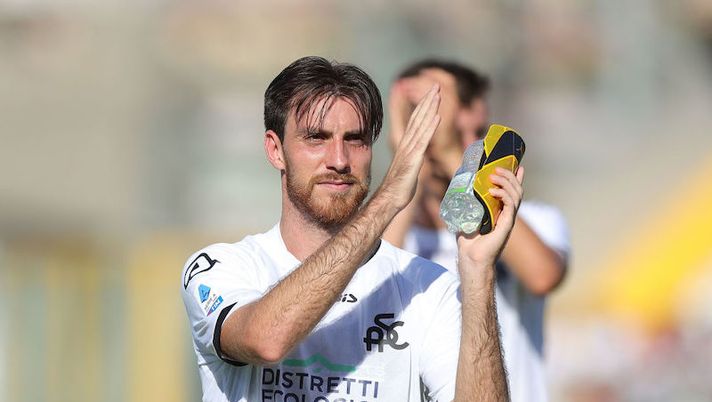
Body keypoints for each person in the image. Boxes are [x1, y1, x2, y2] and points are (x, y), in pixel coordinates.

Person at [181, 56, 524, 402]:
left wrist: (479, 274)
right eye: (316, 138)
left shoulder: (428, 287)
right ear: (275, 150)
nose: (340, 160)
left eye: (356, 140)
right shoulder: (222, 267)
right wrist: (388, 198)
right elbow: (266, 341)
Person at [384, 59, 570, 402]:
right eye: (456, 131)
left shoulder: (534, 218)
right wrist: (408, 165)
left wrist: (458, 155)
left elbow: (543, 275)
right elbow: (371, 291)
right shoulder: (389, 228)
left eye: (480, 135)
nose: (476, 145)